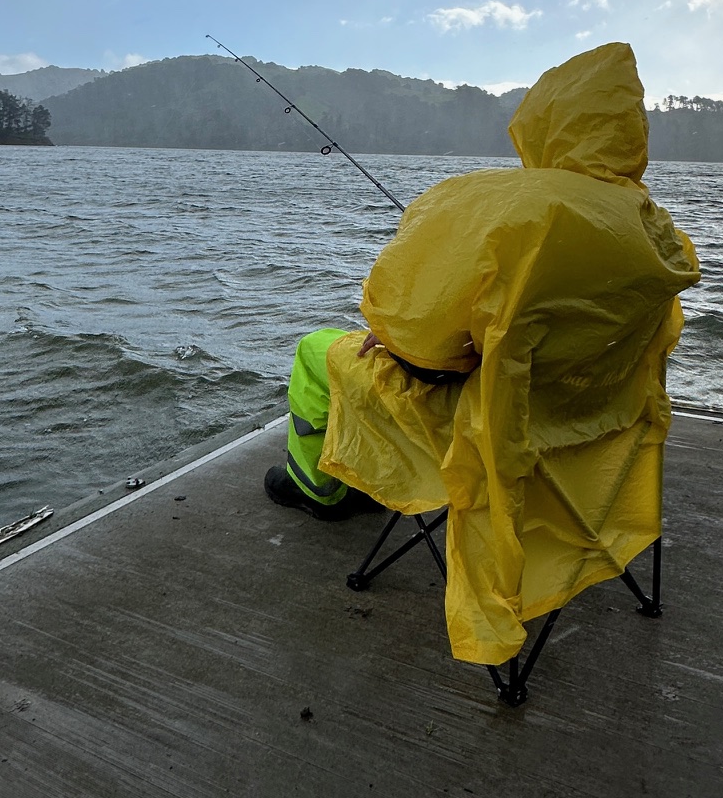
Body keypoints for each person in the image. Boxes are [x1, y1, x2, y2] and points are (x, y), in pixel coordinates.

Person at [264, 41, 700, 668]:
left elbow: (416, 336)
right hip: (601, 431)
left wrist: (393, 335)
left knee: (315, 350)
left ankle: (321, 492)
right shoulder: (655, 229)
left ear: (541, 123)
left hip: (490, 433)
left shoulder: (494, 201)